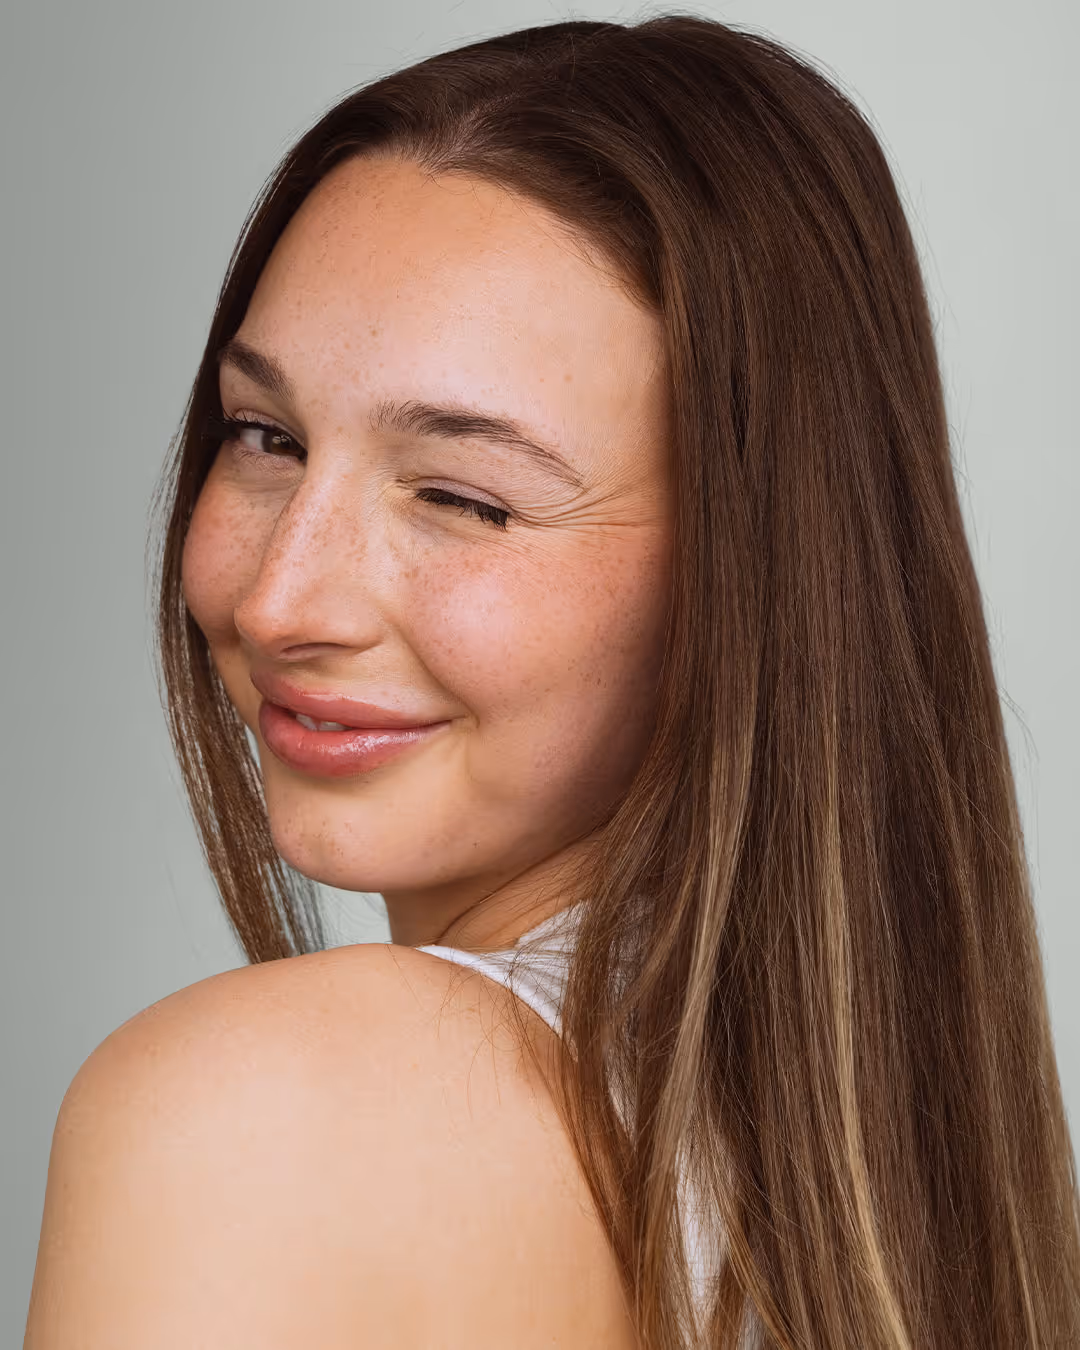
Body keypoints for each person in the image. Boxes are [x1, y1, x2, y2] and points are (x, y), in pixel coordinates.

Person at [23, 14, 1080, 1349]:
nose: (279, 597)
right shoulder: (869, 1205)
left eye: (463, 498)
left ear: (748, 581)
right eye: (264, 435)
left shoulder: (254, 1115)